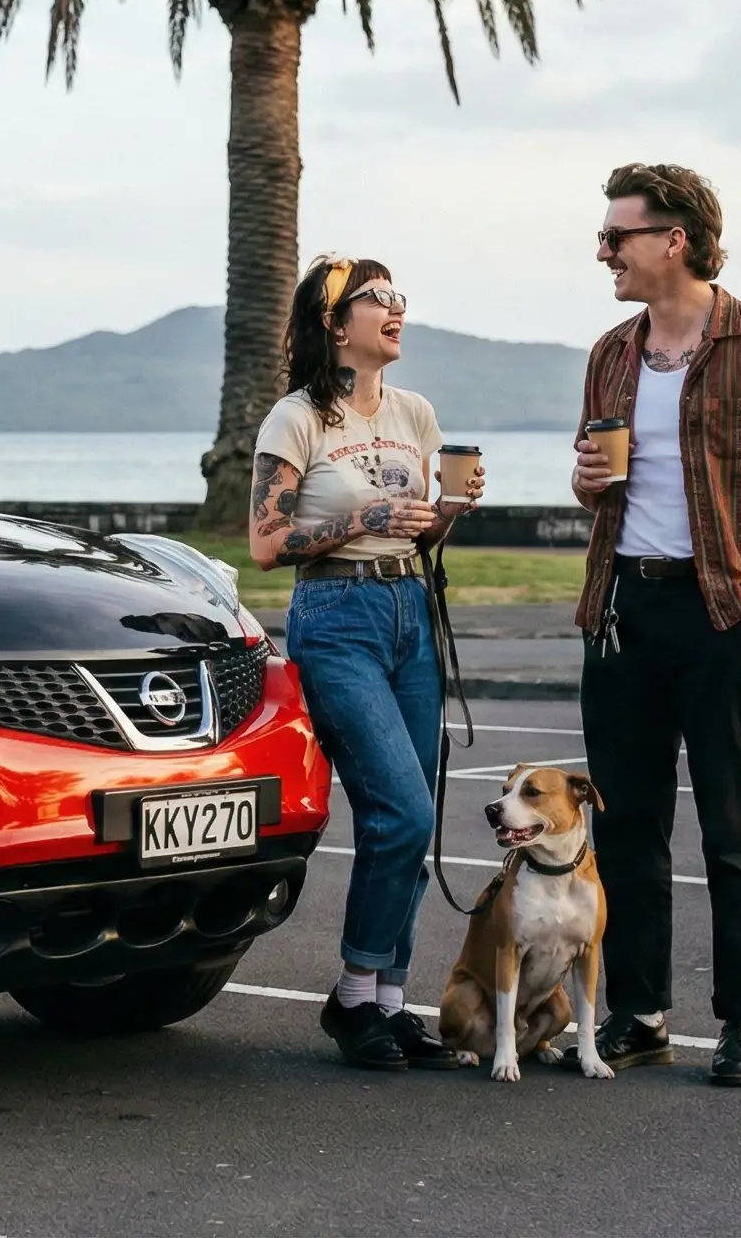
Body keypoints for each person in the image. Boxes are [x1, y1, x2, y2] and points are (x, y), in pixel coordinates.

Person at [568, 163, 741, 1087]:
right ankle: (638, 1012)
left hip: (722, 610)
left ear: (673, 240)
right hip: (622, 608)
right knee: (627, 825)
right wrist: (585, 482)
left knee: (733, 826)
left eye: (617, 236)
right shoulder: (610, 351)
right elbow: (590, 475)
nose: (603, 250)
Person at [250, 255, 485, 1071]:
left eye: (398, 297)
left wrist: (444, 512)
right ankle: (352, 997)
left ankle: (389, 1002)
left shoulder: (415, 413)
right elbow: (268, 544)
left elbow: (419, 533)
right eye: (375, 298)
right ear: (333, 322)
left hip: (409, 608)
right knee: (402, 812)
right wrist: (366, 517)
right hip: (336, 614)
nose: (395, 309)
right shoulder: (297, 418)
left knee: (413, 814)